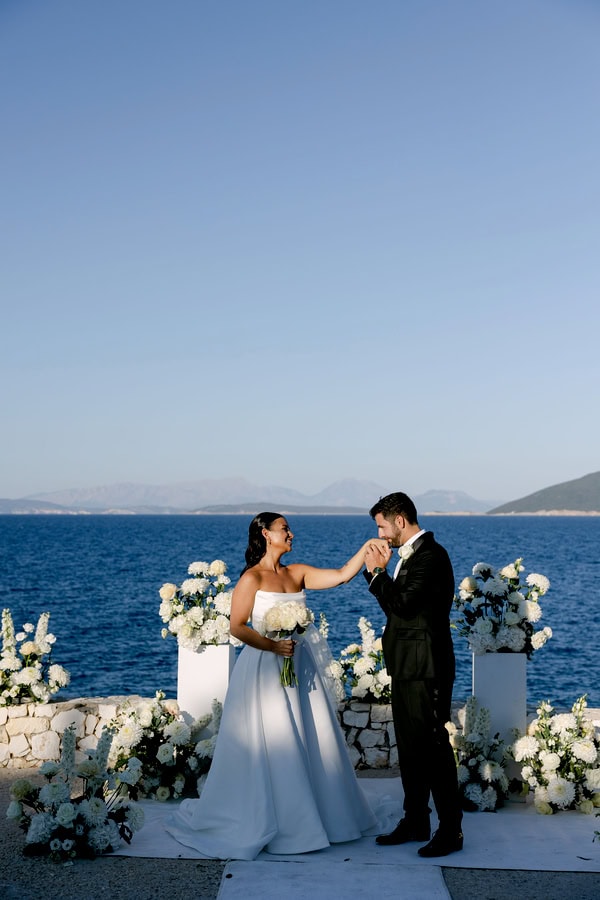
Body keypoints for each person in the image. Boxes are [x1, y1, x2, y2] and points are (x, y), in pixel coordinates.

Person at [165, 512, 391, 860]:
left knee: (309, 734)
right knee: (274, 737)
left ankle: (319, 816)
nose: (291, 534)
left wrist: (366, 548)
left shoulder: (296, 572)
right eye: (285, 529)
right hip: (264, 669)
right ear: (265, 534)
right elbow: (237, 627)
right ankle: (282, 821)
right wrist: (273, 646)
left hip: (298, 668)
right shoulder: (251, 579)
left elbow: (342, 576)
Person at [363, 492, 464, 858]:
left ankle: (451, 830)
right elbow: (399, 607)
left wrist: (377, 573)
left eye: (381, 525)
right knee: (409, 748)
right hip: (407, 665)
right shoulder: (412, 555)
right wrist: (380, 574)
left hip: (428, 668)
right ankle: (416, 820)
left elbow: (403, 606)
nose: (380, 534)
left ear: (400, 521)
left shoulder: (432, 557)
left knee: (434, 748)